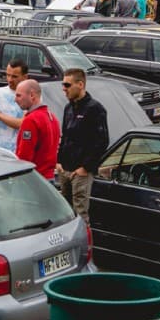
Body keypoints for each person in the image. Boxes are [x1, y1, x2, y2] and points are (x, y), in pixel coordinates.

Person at [56, 68, 109, 221]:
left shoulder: (95, 109)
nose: (63, 89)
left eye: (67, 85)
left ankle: (84, 244)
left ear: (80, 84)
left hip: (80, 173)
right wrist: (59, 161)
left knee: (80, 215)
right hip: (65, 169)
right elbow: (65, 136)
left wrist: (85, 168)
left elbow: (102, 141)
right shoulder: (68, 108)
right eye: (63, 85)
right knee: (64, 213)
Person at [13, 79, 60, 180]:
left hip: (34, 179)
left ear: (32, 95)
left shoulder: (31, 120)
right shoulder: (52, 117)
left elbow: (24, 157)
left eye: (18, 95)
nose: (15, 100)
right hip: (49, 177)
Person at [0, 59, 30, 152]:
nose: (10, 79)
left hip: (19, 154)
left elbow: (22, 124)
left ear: (25, 77)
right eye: (8, 75)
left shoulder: (32, 97)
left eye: (14, 76)